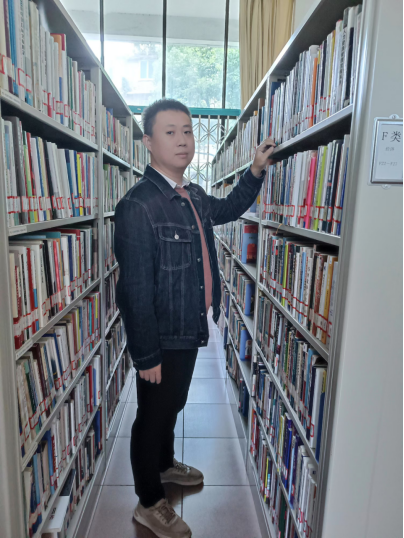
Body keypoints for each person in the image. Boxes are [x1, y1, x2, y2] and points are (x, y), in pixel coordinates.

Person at [114, 98, 275, 538]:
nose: (183, 140)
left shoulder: (194, 195)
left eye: (187, 131)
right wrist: (146, 355)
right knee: (152, 416)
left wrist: (255, 171)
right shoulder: (139, 205)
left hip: (189, 326)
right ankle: (149, 502)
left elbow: (228, 209)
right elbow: (133, 291)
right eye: (170, 132)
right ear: (148, 142)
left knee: (172, 404)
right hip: (162, 334)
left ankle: (165, 463)